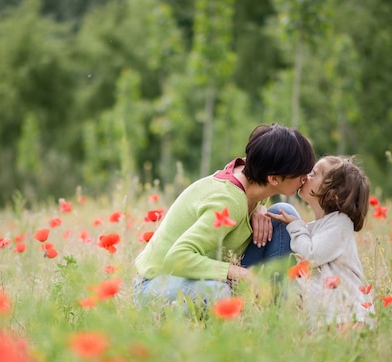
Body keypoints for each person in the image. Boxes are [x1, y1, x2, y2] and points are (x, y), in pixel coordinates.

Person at [133, 123, 316, 308]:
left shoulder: (253, 174)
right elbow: (176, 259)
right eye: (300, 173)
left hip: (209, 274)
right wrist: (243, 274)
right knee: (218, 292)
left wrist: (260, 208)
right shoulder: (228, 201)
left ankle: (277, 309)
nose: (306, 177)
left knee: (282, 215)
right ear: (273, 179)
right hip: (158, 283)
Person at [268, 156, 375, 329]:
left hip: (348, 316)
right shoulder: (316, 227)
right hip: (325, 318)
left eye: (313, 174)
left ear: (332, 190)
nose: (306, 176)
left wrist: (296, 226)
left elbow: (311, 254)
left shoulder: (340, 222)